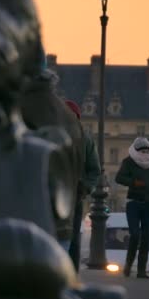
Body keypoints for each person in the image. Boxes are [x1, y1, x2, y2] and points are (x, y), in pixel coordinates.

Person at [65, 99, 101, 272]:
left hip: (75, 193)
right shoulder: (49, 134)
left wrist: (85, 187)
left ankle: (71, 274)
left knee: (72, 237)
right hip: (52, 191)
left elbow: (94, 170)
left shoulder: (85, 139)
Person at [115, 137, 149, 278]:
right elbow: (119, 178)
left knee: (146, 237)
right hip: (133, 202)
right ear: (136, 150)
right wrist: (133, 182)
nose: (145, 153)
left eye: (147, 150)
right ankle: (128, 264)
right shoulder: (128, 162)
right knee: (134, 234)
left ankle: (141, 270)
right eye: (142, 150)